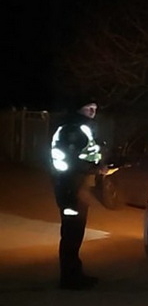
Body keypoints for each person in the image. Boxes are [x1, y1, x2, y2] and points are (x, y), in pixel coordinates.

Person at [50, 98, 103, 290]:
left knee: (76, 232)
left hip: (77, 185)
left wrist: (97, 166)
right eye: (88, 108)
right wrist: (95, 169)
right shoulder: (71, 129)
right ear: (78, 109)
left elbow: (88, 154)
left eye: (94, 108)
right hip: (70, 187)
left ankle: (75, 273)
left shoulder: (82, 128)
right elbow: (71, 160)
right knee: (71, 233)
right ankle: (69, 278)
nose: (92, 112)